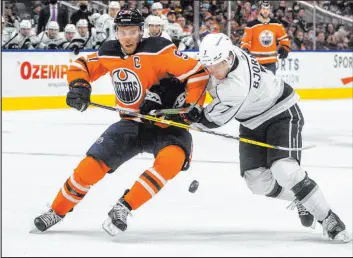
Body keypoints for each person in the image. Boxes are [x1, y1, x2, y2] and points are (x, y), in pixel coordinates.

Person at [33, 8, 208, 236]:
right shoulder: (109, 52)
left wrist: (191, 106)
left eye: (132, 31)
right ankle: (56, 211)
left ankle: (123, 207)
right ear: (116, 32)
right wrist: (79, 86)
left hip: (166, 124)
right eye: (122, 31)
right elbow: (81, 66)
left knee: (172, 160)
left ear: (141, 32)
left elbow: (199, 73)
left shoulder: (159, 50)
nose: (127, 37)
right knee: (90, 166)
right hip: (131, 124)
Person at [194, 33, 351, 243]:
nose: (212, 70)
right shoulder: (224, 55)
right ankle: (302, 197)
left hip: (281, 111)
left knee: (284, 169)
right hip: (251, 122)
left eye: (216, 65)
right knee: (257, 182)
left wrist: (190, 117)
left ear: (229, 57)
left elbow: (210, 120)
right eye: (208, 65)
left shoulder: (237, 86)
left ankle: (328, 219)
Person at [241, 1, 290, 74]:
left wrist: (285, 47)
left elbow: (284, 38)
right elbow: (245, 41)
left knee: (270, 84)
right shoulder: (251, 25)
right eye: (263, 9)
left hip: (270, 61)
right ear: (260, 10)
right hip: (255, 62)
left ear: (270, 10)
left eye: (267, 9)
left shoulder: (276, 24)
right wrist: (245, 49)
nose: (266, 11)